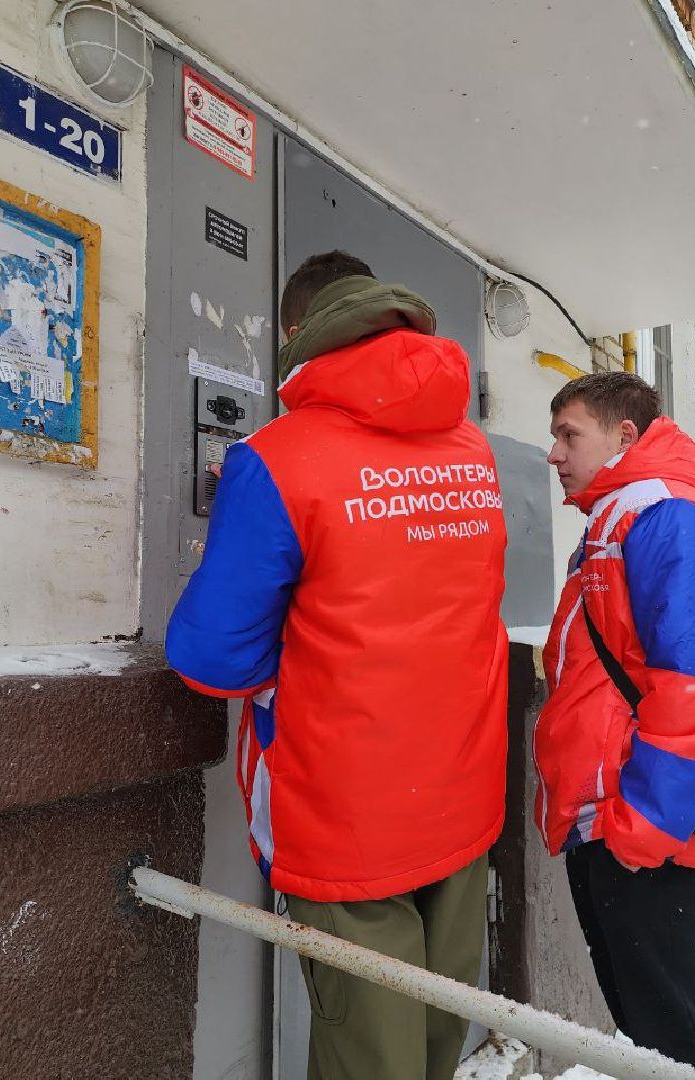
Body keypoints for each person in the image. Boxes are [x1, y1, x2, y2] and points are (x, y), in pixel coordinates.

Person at [166, 251, 509, 1080]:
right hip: (461, 797)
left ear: (297, 335)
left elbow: (212, 655)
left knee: (366, 1055)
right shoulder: (473, 449)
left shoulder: (279, 457)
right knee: (434, 1034)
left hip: (347, 812)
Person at [534, 371, 695, 1079]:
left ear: (625, 434)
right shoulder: (620, 519)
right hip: (609, 816)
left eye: (570, 434)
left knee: (679, 1044)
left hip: (640, 827)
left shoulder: (668, 516)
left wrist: (645, 830)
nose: (554, 452)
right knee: (648, 1033)